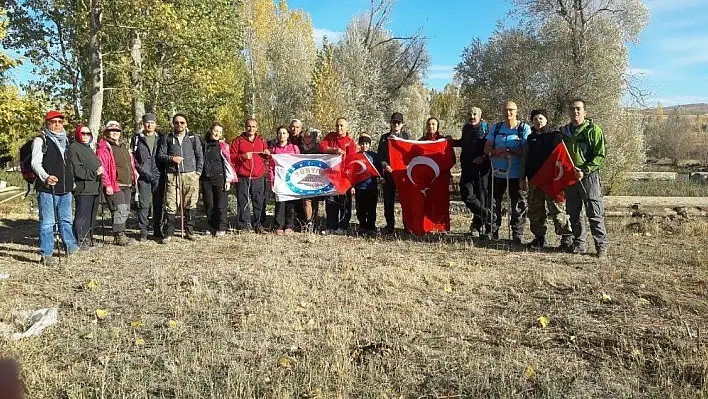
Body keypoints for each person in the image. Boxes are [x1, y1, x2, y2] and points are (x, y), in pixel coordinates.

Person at [519, 109, 573, 250]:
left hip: (553, 181)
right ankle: (539, 238)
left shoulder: (556, 136)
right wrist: (522, 177)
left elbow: (564, 153)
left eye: (541, 118)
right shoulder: (530, 139)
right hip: (534, 180)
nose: (538, 121)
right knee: (535, 211)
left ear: (546, 119)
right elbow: (525, 159)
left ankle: (566, 238)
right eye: (535, 119)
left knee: (557, 210)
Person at [561, 98, 609, 259]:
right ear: (569, 112)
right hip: (570, 178)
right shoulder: (564, 132)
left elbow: (600, 154)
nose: (575, 112)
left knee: (594, 212)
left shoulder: (593, 130)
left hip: (588, 177)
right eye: (572, 109)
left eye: (578, 109)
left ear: (584, 112)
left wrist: (585, 169)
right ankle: (579, 243)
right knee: (574, 213)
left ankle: (601, 246)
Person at [30, 110, 79, 265]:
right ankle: (47, 254)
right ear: (47, 123)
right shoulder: (40, 140)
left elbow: (69, 164)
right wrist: (45, 177)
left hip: (66, 189)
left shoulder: (66, 140)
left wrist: (72, 180)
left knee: (66, 220)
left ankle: (71, 248)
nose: (57, 124)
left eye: (59, 122)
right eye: (53, 122)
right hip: (47, 189)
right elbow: (35, 163)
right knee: (48, 222)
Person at [484, 101, 531, 244]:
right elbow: (487, 148)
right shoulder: (496, 128)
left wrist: (509, 151)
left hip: (516, 173)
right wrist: (494, 151)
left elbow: (526, 150)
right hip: (497, 172)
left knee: (518, 203)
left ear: (517, 111)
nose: (508, 113)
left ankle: (517, 234)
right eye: (505, 110)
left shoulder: (523, 128)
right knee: (493, 201)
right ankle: (492, 230)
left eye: (511, 110)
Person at [157, 113, 203, 242]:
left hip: (190, 175)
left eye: (182, 122)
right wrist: (172, 158)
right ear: (173, 124)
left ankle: (190, 231)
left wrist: (198, 172)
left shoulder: (193, 137)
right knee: (171, 204)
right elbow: (160, 155)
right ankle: (169, 232)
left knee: (190, 203)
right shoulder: (167, 138)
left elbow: (199, 155)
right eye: (177, 122)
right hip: (173, 174)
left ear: (186, 123)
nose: (179, 125)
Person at [453, 107, 494, 237]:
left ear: (480, 116)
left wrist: (483, 157)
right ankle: (488, 215)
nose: (472, 116)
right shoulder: (466, 128)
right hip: (467, 167)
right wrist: (451, 142)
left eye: (474, 114)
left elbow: (491, 145)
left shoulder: (486, 127)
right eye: (470, 114)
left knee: (482, 197)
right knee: (466, 194)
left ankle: (479, 226)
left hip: (482, 169)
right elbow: (463, 143)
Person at [96, 121, 138, 246]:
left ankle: (122, 233)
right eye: (112, 131)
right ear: (106, 132)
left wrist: (134, 172)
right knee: (119, 209)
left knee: (125, 210)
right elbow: (102, 167)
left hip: (127, 183)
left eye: (117, 131)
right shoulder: (104, 148)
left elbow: (130, 163)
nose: (115, 133)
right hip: (115, 184)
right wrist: (107, 184)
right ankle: (119, 236)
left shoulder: (123, 147)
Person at [230, 118, 270, 233]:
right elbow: (231, 157)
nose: (251, 129)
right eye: (248, 126)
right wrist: (242, 157)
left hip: (258, 176)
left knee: (259, 201)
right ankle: (245, 225)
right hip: (243, 176)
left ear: (257, 128)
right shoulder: (238, 141)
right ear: (245, 127)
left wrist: (267, 154)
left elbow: (264, 156)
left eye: (253, 126)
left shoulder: (261, 140)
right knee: (243, 201)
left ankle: (259, 225)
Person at [320, 117, 357, 234]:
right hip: (331, 177)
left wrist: (352, 183)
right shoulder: (330, 136)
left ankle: (343, 227)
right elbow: (322, 147)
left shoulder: (350, 142)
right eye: (337, 125)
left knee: (344, 203)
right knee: (330, 202)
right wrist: (334, 150)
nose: (339, 128)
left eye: (341, 126)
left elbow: (352, 162)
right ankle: (331, 226)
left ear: (347, 127)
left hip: (344, 178)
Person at [70, 124, 103, 250]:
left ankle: (88, 239)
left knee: (91, 215)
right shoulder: (74, 148)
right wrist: (95, 173)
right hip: (83, 188)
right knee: (82, 216)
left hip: (94, 187)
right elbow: (77, 170)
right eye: (83, 133)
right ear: (78, 134)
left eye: (87, 134)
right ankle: (81, 240)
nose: (85, 136)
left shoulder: (88, 148)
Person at [201, 121, 237, 237]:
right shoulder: (203, 144)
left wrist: (228, 180)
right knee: (209, 204)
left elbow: (228, 163)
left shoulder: (223, 146)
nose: (217, 133)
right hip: (206, 178)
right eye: (216, 130)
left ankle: (222, 227)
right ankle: (212, 227)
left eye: (220, 132)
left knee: (221, 204)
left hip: (220, 178)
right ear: (211, 130)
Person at [377, 112, 410, 234]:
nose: (396, 124)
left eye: (398, 122)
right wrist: (385, 165)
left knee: (405, 201)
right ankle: (390, 226)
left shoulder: (406, 137)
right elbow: (380, 156)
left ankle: (407, 225)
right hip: (389, 174)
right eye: (393, 122)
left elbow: (411, 154)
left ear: (402, 124)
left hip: (403, 174)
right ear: (390, 123)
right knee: (388, 201)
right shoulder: (384, 138)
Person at [131, 113, 162, 241]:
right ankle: (143, 230)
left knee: (158, 204)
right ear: (143, 124)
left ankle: (158, 229)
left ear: (155, 124)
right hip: (143, 176)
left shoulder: (161, 138)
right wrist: (139, 170)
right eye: (147, 122)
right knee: (144, 205)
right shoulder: (137, 138)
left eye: (152, 123)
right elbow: (133, 156)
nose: (150, 125)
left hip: (159, 175)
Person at [269, 125, 300, 235]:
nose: (281, 135)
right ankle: (279, 225)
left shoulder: (294, 148)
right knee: (280, 203)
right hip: (279, 180)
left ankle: (289, 225)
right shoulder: (274, 150)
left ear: (288, 135)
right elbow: (271, 167)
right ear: (277, 136)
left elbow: (299, 164)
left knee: (290, 204)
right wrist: (272, 181)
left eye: (284, 133)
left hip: (291, 179)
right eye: (279, 133)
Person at [353, 134, 381, 236]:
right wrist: (352, 186)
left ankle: (371, 227)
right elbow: (352, 172)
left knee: (371, 208)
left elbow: (379, 170)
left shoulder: (374, 156)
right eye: (362, 144)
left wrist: (381, 178)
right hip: (360, 187)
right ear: (359, 145)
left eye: (366, 143)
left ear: (369, 145)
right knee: (360, 208)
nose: (364, 146)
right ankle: (362, 226)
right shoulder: (355, 156)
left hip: (371, 186)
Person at [297, 128, 321, 232]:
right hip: (303, 177)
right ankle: (308, 222)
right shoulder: (299, 148)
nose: (307, 138)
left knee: (315, 201)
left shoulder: (318, 147)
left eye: (310, 136)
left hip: (316, 177)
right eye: (305, 136)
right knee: (306, 200)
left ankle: (314, 221)